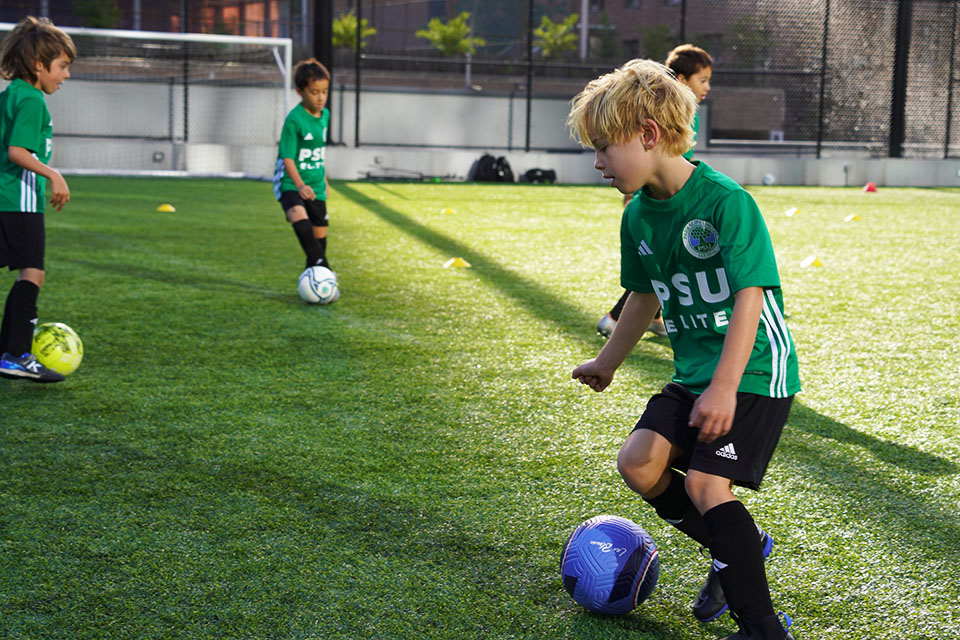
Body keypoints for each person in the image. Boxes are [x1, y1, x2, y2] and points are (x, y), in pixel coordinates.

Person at [568, 59, 800, 640]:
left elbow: (751, 296)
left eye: (603, 148)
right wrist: (607, 363)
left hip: (753, 371)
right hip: (697, 371)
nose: (597, 163)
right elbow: (643, 295)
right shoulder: (639, 217)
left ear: (648, 134)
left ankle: (762, 627)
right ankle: (740, 548)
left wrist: (725, 384)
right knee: (639, 463)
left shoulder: (726, 202)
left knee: (703, 485)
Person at [597, 44, 713, 340]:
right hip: (669, 207)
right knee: (663, 269)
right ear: (683, 80)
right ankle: (615, 318)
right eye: (703, 80)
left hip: (678, 204)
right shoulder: (676, 116)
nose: (708, 87)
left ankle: (655, 317)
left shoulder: (725, 199)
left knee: (668, 267)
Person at [0, 17, 76, 383]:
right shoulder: (31, 99)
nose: (65, 75)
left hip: (5, 197)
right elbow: (17, 151)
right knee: (32, 271)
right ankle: (15, 355)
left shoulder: (11, 93)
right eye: (62, 67)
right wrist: (53, 174)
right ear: (38, 64)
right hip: (18, 201)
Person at [273, 58, 333, 273]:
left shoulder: (325, 115)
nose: (321, 97)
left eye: (324, 91)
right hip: (291, 182)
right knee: (299, 217)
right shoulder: (294, 120)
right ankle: (324, 270)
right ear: (300, 91)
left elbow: (318, 151)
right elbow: (287, 157)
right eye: (315, 92)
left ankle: (315, 278)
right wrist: (299, 186)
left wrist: (323, 179)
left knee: (320, 235)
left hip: (316, 183)